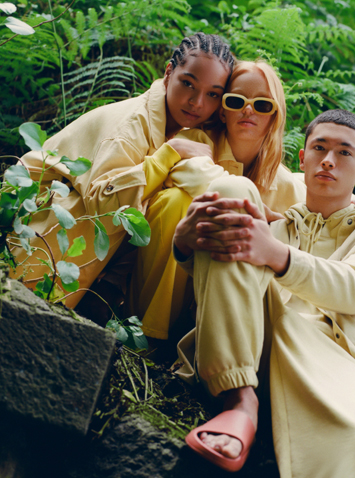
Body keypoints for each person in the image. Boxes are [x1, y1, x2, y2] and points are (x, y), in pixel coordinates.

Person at [173, 109, 355, 476]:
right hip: (253, 350)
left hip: (331, 362)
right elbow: (222, 283)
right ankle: (237, 399)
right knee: (234, 192)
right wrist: (184, 245)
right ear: (302, 159)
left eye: (344, 152)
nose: (328, 161)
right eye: (319, 148)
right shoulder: (270, 228)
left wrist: (278, 256)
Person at [12, 33, 235, 309]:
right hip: (31, 224)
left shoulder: (190, 130)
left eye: (212, 94)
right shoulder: (129, 129)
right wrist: (169, 154)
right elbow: (103, 208)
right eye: (188, 83)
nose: (197, 102)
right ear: (168, 73)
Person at [128, 59, 306, 342]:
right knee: (176, 200)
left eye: (262, 105)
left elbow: (319, 217)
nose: (248, 110)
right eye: (236, 101)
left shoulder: (285, 184)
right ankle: (147, 334)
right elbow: (192, 172)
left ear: (275, 116)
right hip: (168, 280)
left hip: (229, 300)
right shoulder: (196, 142)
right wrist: (251, 204)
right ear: (222, 111)